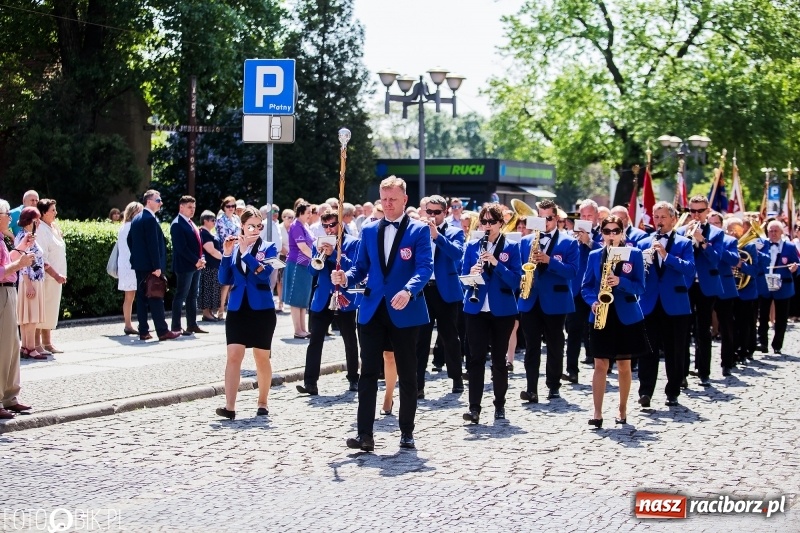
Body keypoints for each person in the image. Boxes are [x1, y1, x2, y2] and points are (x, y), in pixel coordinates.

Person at [332, 176, 433, 451]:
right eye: (384, 199)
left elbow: (424, 268)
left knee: (408, 374)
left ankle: (407, 431)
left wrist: (409, 290)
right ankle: (365, 434)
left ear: (404, 200)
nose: (387, 204)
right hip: (372, 308)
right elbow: (361, 268)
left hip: (405, 309)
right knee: (368, 374)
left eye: (393, 199)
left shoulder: (419, 230)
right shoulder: (369, 229)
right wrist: (345, 277)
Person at [582, 215, 647, 428]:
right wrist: (592, 302)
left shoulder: (634, 254)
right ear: (602, 233)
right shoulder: (594, 255)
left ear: (622, 232)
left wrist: (620, 281)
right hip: (601, 313)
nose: (612, 235)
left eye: (616, 231)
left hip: (626, 315)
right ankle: (597, 412)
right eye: (607, 231)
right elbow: (586, 286)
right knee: (600, 364)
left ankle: (622, 408)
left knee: (624, 364)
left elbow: (640, 287)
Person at [460, 204, 522, 423]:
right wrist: (471, 274)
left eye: (491, 222)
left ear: (500, 223)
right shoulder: (471, 246)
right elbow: (462, 281)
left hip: (502, 310)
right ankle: (474, 407)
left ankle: (499, 404)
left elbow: (516, 281)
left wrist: (496, 263)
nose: (486, 226)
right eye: (483, 222)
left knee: (498, 360)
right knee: (475, 359)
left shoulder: (512, 247)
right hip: (476, 309)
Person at [215, 207, 278, 420]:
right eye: (250, 225)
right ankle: (229, 406)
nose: (255, 229)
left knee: (261, 357)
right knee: (233, 355)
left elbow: (264, 275)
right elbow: (224, 279)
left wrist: (245, 254)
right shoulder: (233, 248)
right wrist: (226, 254)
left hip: (261, 309)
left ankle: (263, 402)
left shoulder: (269, 248)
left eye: (259, 226)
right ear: (242, 226)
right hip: (237, 308)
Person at [518, 200, 580, 403]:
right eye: (541, 217)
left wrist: (549, 261)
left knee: (555, 344)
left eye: (549, 218)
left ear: (557, 218)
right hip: (530, 298)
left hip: (556, 299)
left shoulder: (569, 241)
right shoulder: (525, 241)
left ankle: (553, 385)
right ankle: (531, 388)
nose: (545, 222)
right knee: (531, 346)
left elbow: (572, 271)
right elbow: (518, 268)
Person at [636, 202, 695, 408]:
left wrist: (666, 256)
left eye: (663, 217)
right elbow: (636, 275)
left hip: (675, 304)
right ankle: (645, 392)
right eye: (656, 217)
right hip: (649, 303)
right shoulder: (643, 242)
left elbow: (690, 270)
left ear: (672, 218)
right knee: (647, 350)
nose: (659, 221)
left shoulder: (684, 243)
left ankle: (673, 391)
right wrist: (643, 264)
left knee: (675, 350)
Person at [296, 210, 361, 395]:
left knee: (349, 340)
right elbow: (312, 271)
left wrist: (333, 255)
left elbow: (354, 268)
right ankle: (310, 382)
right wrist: (319, 255)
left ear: (341, 225)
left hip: (344, 298)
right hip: (323, 299)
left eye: (332, 225)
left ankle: (353, 378)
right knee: (315, 340)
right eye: (325, 226)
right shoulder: (320, 243)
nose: (329, 229)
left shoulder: (353, 242)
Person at [676, 195, 724, 387]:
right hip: (685, 286)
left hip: (705, 285)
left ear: (707, 211)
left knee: (703, 329)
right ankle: (682, 373)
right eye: (692, 211)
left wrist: (702, 240)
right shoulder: (680, 231)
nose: (695, 215)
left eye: (699, 211)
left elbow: (715, 260)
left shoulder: (717, 233)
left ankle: (704, 371)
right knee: (683, 329)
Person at [127, 190, 180, 342]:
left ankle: (143, 331)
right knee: (155, 296)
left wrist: (138, 258)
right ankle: (162, 331)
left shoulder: (137, 217)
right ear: (149, 201)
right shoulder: (149, 219)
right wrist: (157, 266)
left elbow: (130, 240)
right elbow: (153, 245)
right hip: (151, 266)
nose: (161, 203)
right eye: (158, 200)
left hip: (140, 265)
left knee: (143, 298)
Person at [0, 199, 36, 418]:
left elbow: (7, 262)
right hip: (2, 291)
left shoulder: (2, 239)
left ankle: (10, 396)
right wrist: (19, 264)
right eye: (7, 214)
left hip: (8, 291)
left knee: (13, 345)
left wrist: (21, 249)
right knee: (3, 348)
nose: (11, 218)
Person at [565, 199, 602, 377]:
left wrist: (590, 243)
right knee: (573, 330)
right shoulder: (574, 236)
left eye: (589, 215)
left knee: (597, 329)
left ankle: (601, 366)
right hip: (577, 288)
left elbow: (608, 252)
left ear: (596, 217)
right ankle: (571, 369)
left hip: (596, 289)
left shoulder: (604, 232)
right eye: (583, 215)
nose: (586, 218)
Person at [757, 220, 799, 354]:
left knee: (781, 317)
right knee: (762, 315)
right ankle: (762, 342)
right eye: (771, 231)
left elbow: (797, 264)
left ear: (782, 232)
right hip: (764, 284)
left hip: (783, 285)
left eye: (776, 231)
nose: (773, 233)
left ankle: (777, 344)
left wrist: (794, 268)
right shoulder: (761, 244)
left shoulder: (790, 247)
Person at [709, 211, 741, 376]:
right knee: (702, 327)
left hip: (724, 288)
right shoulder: (700, 239)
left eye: (716, 223)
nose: (713, 226)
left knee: (727, 326)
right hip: (705, 287)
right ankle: (701, 366)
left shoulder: (729, 240)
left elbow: (735, 260)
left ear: (721, 226)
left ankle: (727, 362)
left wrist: (718, 247)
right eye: (711, 223)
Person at [170, 196, 207, 335]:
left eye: (194, 207)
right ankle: (176, 326)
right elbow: (181, 248)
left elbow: (197, 244)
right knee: (181, 295)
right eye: (189, 207)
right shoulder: (177, 224)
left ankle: (192, 324)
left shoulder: (190, 223)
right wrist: (195, 260)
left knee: (193, 296)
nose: (192, 210)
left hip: (195, 265)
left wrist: (201, 258)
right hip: (185, 266)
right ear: (181, 207)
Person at [34, 199, 67, 354]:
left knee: (51, 310)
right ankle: (36, 343)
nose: (55, 213)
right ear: (43, 212)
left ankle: (47, 342)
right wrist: (55, 274)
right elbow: (42, 257)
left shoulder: (53, 227)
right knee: (42, 310)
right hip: (47, 277)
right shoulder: (40, 229)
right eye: (52, 210)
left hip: (57, 276)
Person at [15, 207, 47, 360]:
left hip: (34, 279)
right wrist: (28, 284)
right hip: (30, 280)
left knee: (28, 316)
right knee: (31, 316)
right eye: (36, 219)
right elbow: (24, 262)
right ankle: (30, 347)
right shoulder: (24, 237)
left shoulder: (28, 236)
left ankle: (26, 347)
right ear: (30, 221)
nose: (39, 222)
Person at [283, 202, 315, 338]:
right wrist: (315, 259)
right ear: (301, 212)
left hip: (305, 265)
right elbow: (302, 246)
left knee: (303, 299)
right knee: (296, 299)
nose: (310, 215)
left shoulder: (305, 225)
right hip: (297, 264)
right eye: (308, 212)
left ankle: (303, 328)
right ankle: (298, 330)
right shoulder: (296, 225)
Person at [118, 202, 143, 334]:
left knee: (129, 296)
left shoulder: (123, 227)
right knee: (134, 296)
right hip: (132, 265)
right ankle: (131, 324)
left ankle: (128, 323)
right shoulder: (133, 226)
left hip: (124, 264)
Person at [215, 196, 241, 320]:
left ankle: (232, 308)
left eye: (233, 206)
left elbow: (241, 234)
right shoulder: (220, 219)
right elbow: (223, 236)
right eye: (228, 206)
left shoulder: (237, 218)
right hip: (226, 251)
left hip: (237, 251)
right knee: (225, 283)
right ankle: (220, 310)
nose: (231, 208)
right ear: (224, 207)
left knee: (234, 281)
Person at [198, 210, 223, 322]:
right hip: (208, 267)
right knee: (208, 289)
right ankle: (206, 313)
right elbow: (211, 250)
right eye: (213, 220)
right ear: (205, 221)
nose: (215, 222)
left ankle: (210, 313)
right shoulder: (204, 233)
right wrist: (223, 257)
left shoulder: (208, 233)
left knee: (213, 289)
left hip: (213, 267)